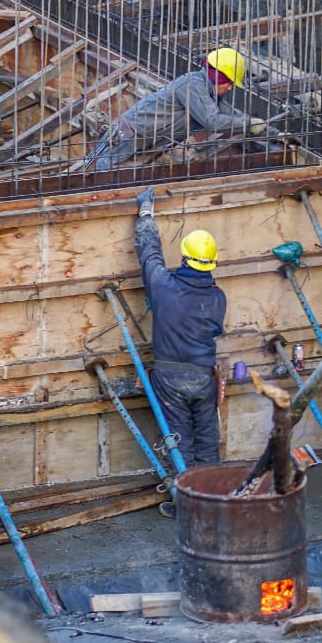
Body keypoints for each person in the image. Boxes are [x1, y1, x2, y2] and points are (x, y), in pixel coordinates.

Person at [133, 188, 227, 514]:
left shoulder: (162, 286)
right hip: (203, 378)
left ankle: (188, 508)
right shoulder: (218, 298)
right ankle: (214, 503)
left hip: (170, 377)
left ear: (185, 257)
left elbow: (149, 253)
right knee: (207, 442)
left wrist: (146, 211)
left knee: (180, 442)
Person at [87, 47, 269, 171]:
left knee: (113, 177)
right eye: (229, 83)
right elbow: (212, 121)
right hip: (129, 136)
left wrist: (262, 125)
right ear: (218, 78)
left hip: (146, 139)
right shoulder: (192, 85)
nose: (230, 88)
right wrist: (247, 123)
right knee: (99, 175)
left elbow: (228, 113)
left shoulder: (208, 91)